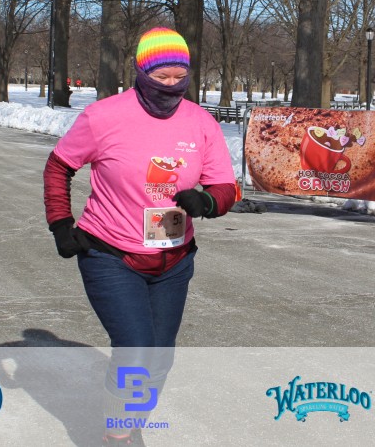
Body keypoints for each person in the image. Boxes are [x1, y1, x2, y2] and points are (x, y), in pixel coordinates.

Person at [43, 27, 236, 445]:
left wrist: (206, 201)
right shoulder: (103, 117)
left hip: (173, 261)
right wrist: (60, 223)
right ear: (141, 71)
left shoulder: (200, 122)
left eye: (179, 77)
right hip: (110, 255)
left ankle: (129, 424)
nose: (171, 86)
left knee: (159, 359)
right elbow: (58, 166)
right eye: (161, 77)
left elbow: (225, 186)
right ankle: (118, 436)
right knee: (135, 350)